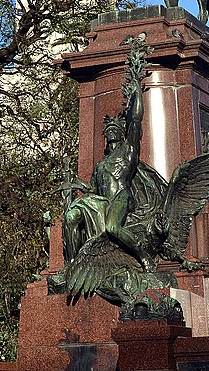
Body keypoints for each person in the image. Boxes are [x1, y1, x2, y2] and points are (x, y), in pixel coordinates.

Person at [62, 78, 155, 272]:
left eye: (116, 129)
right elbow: (93, 190)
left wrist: (137, 93)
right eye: (108, 130)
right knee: (71, 216)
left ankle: (143, 256)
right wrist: (77, 184)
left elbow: (136, 120)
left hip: (121, 198)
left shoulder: (128, 152)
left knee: (113, 228)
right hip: (101, 202)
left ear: (122, 133)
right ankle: (72, 266)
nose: (111, 131)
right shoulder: (100, 165)